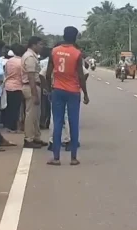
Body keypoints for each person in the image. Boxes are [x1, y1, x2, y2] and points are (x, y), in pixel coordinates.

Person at [46, 26, 89, 165]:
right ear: (75, 37)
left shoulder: (54, 51)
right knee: (73, 123)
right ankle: (73, 158)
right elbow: (81, 76)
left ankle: (56, 158)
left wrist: (48, 89)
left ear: (63, 35)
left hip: (57, 90)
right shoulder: (77, 53)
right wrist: (86, 94)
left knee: (58, 123)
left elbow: (48, 73)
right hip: (73, 91)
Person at [21, 36, 47, 148]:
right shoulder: (30, 57)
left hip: (35, 86)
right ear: (34, 45)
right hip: (31, 86)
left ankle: (36, 137)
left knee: (36, 114)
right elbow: (31, 76)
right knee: (31, 114)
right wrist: (34, 94)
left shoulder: (32, 56)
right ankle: (29, 139)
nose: (42, 47)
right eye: (40, 44)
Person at [4, 44, 26, 132]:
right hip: (18, 86)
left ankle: (9, 126)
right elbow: (23, 75)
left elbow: (6, 72)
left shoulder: (9, 61)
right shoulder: (22, 62)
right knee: (17, 108)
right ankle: (14, 127)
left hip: (8, 85)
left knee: (10, 107)